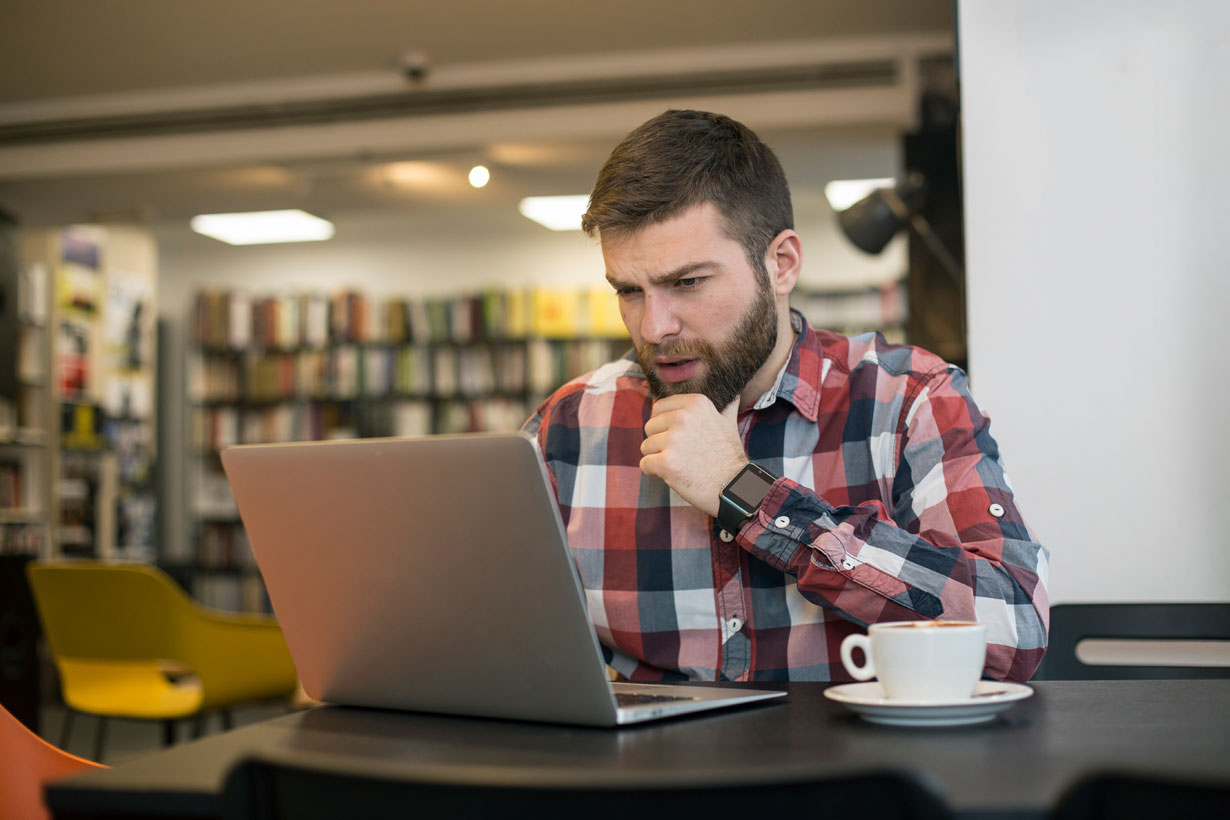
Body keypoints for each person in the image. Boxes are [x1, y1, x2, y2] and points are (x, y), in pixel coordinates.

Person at [523, 109, 1048, 684]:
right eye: (628, 290)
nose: (653, 328)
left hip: (854, 766)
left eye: (687, 282)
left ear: (781, 264)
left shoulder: (910, 400)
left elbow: (1013, 626)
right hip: (646, 771)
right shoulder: (565, 429)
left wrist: (745, 493)